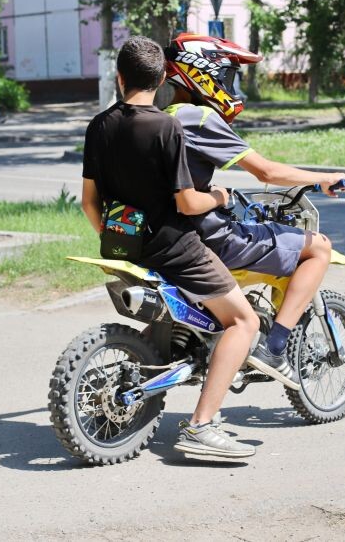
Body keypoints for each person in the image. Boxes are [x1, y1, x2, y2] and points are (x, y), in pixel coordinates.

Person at [81, 36, 276, 459]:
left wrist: (116, 236)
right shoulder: (168, 127)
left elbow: (88, 203)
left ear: (119, 77)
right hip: (175, 248)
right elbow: (188, 202)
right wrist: (222, 198)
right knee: (244, 322)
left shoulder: (99, 125)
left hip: (122, 247)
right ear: (163, 78)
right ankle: (202, 426)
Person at [162, 36, 345, 388]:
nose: (232, 88)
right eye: (228, 77)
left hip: (166, 236)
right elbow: (266, 172)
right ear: (203, 75)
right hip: (207, 237)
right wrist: (324, 179)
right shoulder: (199, 118)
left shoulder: (161, 118)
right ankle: (275, 349)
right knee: (318, 247)